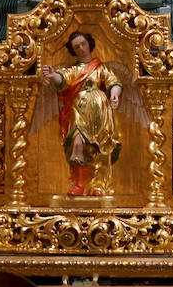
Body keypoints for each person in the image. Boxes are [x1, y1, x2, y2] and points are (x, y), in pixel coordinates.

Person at [40, 31, 123, 195]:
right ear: (73, 50)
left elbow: (114, 81)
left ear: (89, 43)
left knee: (101, 147)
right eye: (77, 47)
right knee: (77, 143)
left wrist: (115, 93)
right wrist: (53, 75)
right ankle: (79, 184)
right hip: (78, 109)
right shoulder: (73, 70)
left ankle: (99, 185)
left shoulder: (100, 68)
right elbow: (62, 80)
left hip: (99, 109)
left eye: (83, 44)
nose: (81, 48)